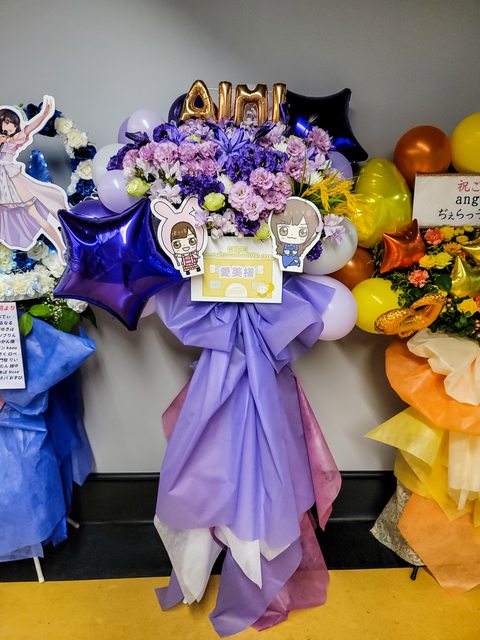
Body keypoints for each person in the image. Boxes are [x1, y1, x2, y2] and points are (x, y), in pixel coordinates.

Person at [0, 95, 66, 257]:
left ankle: (62, 247)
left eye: (10, 130)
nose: (7, 134)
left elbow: (29, 129)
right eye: (4, 129)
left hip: (12, 180)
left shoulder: (13, 141)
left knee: (36, 215)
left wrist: (44, 115)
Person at [270, 197, 321, 271]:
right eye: (284, 230)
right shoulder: (282, 247)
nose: (292, 236)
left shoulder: (299, 248)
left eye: (302, 232)